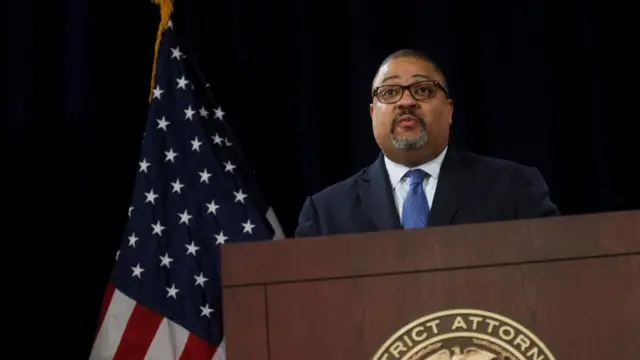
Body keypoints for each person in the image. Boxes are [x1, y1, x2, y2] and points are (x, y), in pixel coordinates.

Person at [295, 49, 560, 238]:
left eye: (423, 90)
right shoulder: (325, 214)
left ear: (449, 110)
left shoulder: (514, 188)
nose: (406, 101)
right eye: (390, 92)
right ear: (373, 113)